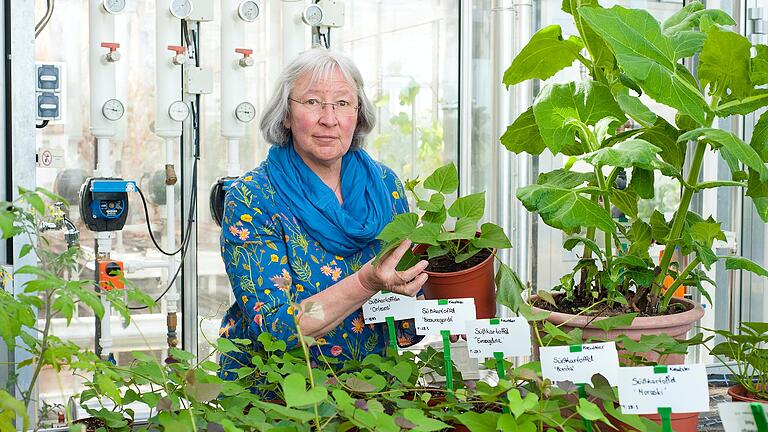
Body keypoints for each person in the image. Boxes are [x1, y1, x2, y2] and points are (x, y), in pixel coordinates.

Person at [218, 48, 429, 379]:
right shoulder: (253, 198)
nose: (329, 118)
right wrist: (364, 282)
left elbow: (405, 319)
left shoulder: (384, 185)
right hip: (279, 395)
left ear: (358, 115)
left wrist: (445, 306)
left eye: (343, 103)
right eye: (313, 102)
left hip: (374, 390)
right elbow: (277, 327)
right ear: (286, 114)